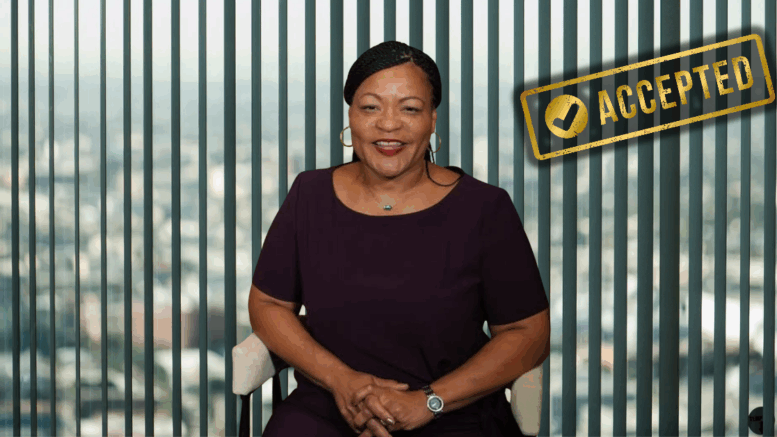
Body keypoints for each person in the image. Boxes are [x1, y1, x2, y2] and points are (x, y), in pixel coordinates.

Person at [248, 40, 550, 437]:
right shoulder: (310, 194)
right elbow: (269, 303)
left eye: (409, 108)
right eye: (371, 107)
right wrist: (342, 381)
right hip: (328, 408)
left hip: (452, 413)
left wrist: (429, 401)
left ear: (433, 120)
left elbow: (528, 333)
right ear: (351, 117)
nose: (388, 124)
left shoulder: (484, 209)